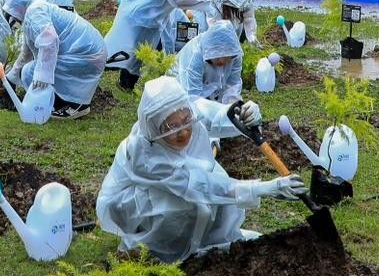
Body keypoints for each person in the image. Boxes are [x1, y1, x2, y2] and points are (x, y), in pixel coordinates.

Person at [95, 77, 307, 262]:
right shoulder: (145, 155)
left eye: (186, 122)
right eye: (172, 128)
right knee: (181, 204)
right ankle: (161, 250)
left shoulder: (183, 111)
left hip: (183, 181)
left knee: (217, 181)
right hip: (127, 206)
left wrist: (244, 112)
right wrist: (263, 188)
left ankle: (215, 240)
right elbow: (199, 186)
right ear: (154, 128)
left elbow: (217, 115)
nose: (183, 133)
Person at [3, 0, 107, 119]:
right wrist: (9, 79)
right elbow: (26, 53)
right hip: (89, 53)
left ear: (18, 7)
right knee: (29, 71)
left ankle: (76, 105)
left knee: (32, 72)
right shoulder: (35, 11)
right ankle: (59, 104)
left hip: (86, 55)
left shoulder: (35, 13)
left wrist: (43, 75)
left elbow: (50, 41)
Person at [161, 0, 256, 52]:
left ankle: (188, 14)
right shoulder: (215, 3)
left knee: (231, 32)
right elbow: (214, 28)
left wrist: (252, 40)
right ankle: (178, 37)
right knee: (203, 33)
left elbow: (249, 19)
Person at [170, 21, 244, 106]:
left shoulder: (235, 54)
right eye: (217, 57)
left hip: (208, 90)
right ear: (210, 51)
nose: (222, 62)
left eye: (227, 58)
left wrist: (232, 104)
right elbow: (193, 96)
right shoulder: (196, 55)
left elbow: (233, 84)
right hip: (180, 86)